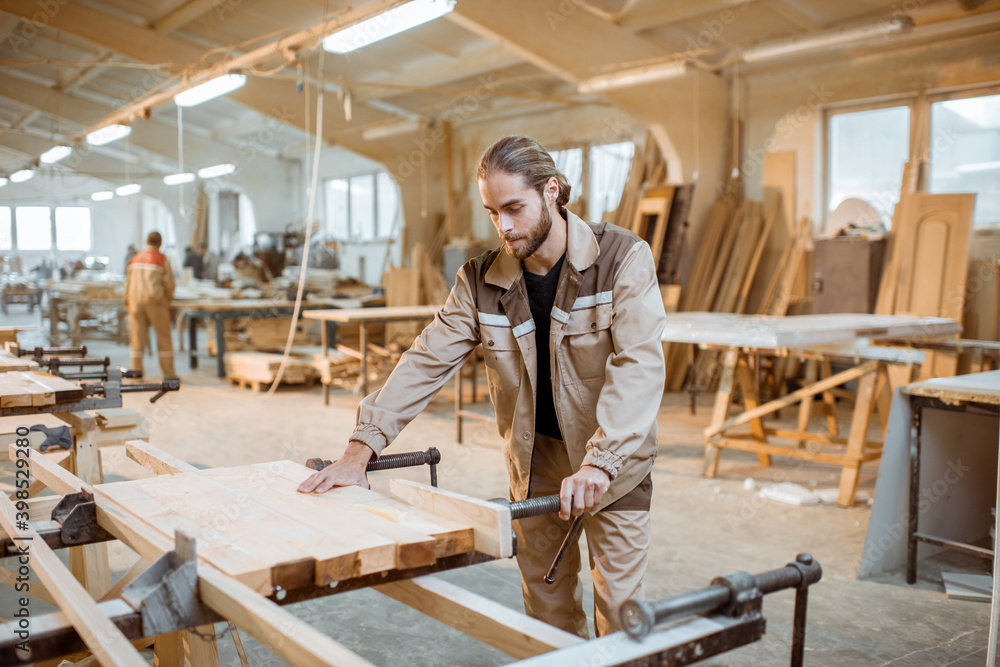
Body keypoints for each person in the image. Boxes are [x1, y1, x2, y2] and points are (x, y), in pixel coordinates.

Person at [298, 135, 666, 638]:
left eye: (514, 208)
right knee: (547, 609)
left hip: (614, 462)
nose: (504, 227)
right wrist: (358, 451)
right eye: (493, 213)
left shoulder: (622, 258)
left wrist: (601, 462)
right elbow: (425, 360)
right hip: (535, 464)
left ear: (552, 191)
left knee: (621, 614)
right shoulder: (479, 281)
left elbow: (639, 365)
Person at [125, 232, 177, 379]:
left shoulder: (134, 259)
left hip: (135, 303)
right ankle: (168, 374)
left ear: (145, 241)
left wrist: (127, 301)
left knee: (137, 340)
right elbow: (170, 284)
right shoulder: (161, 259)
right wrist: (167, 300)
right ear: (160, 243)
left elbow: (127, 283)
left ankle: (136, 374)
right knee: (164, 339)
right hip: (155, 303)